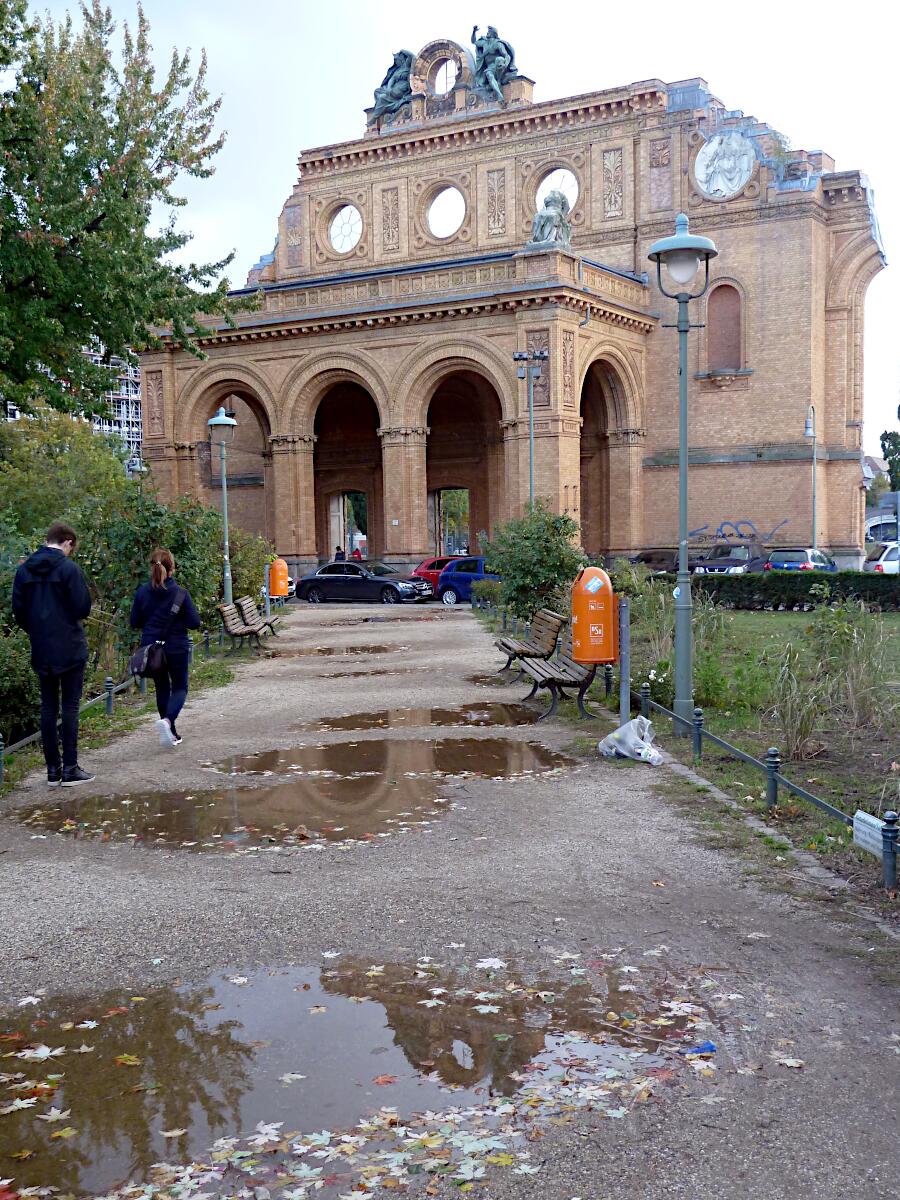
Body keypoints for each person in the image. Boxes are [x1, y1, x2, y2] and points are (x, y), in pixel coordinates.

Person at [12, 522, 94, 786]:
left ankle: (52, 769)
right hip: (69, 645)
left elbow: (19, 611)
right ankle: (70, 767)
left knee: (48, 707)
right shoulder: (69, 570)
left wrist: (37, 631)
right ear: (67, 542)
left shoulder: (24, 571)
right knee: (69, 706)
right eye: (73, 547)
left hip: (42, 647)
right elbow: (83, 608)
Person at [130, 549, 201, 748]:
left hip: (152, 649)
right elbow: (195, 622)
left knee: (162, 687)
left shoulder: (142, 592)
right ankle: (168, 722)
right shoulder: (180, 594)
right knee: (180, 687)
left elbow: (134, 621)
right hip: (176, 647)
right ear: (172, 569)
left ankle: (171, 732)